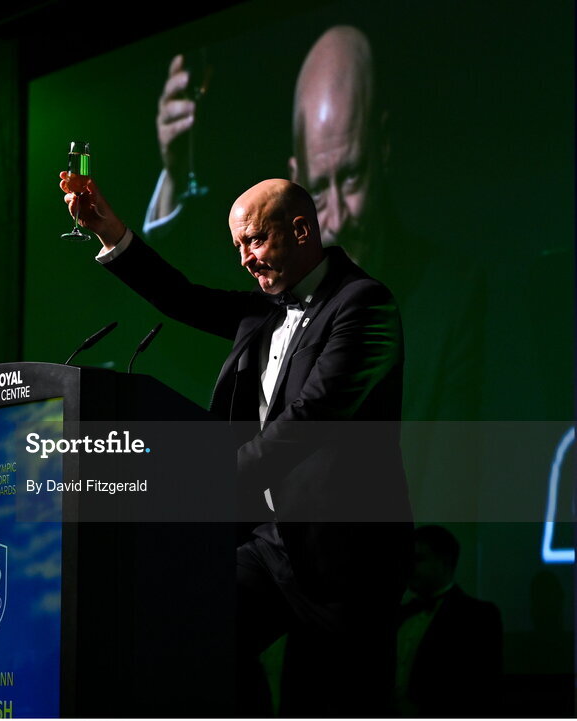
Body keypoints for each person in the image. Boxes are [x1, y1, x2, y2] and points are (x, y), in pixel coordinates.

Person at [60, 173, 413, 715]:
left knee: (328, 703)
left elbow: (307, 421)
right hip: (271, 546)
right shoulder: (265, 310)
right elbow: (183, 298)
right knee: (189, 632)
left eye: (254, 240)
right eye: (237, 247)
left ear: (300, 230)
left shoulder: (364, 305)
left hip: (346, 563)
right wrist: (111, 233)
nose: (245, 258)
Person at [146, 26, 482, 429]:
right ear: (296, 176)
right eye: (319, 188)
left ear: (384, 149)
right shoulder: (264, 304)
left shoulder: (450, 297)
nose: (338, 216)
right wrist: (168, 181)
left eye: (353, 176)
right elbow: (180, 305)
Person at [396, 525, 503, 717]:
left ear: (445, 562)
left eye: (419, 559)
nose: (409, 567)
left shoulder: (477, 617)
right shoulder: (399, 615)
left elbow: (479, 689)